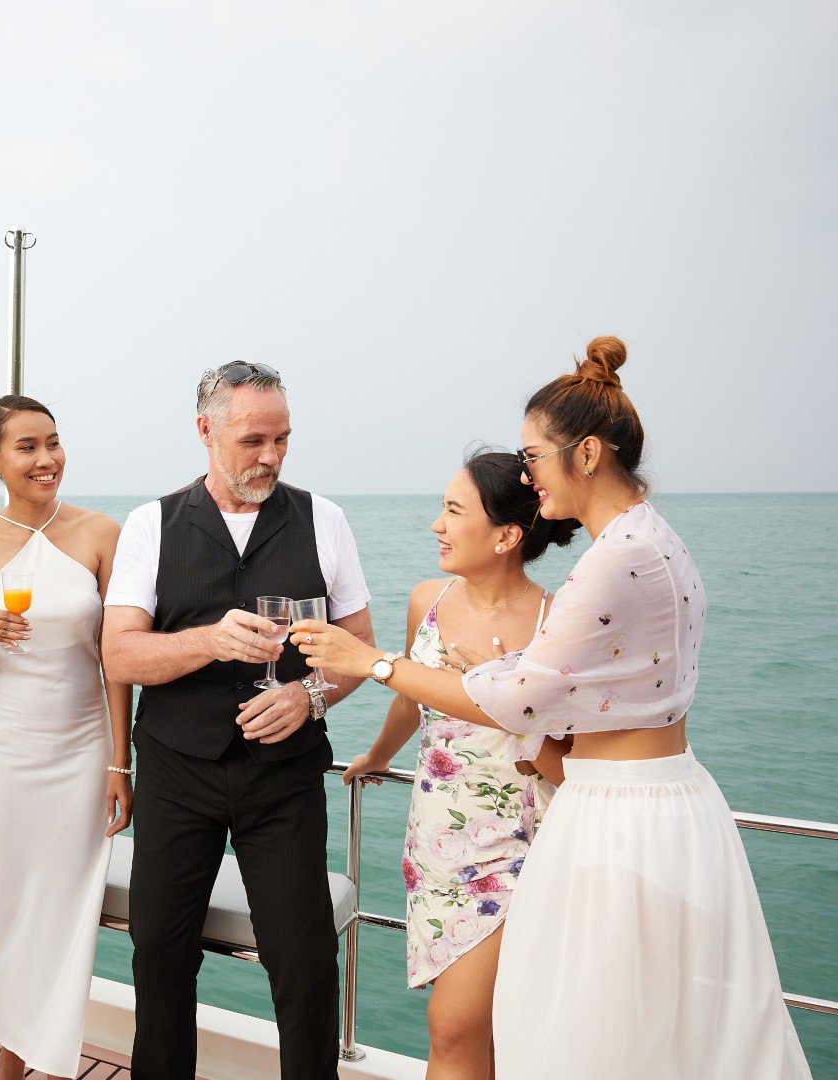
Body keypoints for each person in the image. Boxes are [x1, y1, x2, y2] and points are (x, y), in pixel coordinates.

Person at [293, 337, 811, 1079]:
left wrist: (370, 661)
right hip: (645, 801)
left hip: (615, 812)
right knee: (635, 1033)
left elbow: (517, 697)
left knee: (585, 1039)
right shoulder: (656, 542)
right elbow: (573, 692)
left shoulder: (612, 562)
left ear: (588, 455)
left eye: (535, 455)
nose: (528, 474)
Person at [101, 362, 374, 1079]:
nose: (272, 457)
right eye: (254, 439)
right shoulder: (150, 525)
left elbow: (360, 651)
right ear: (205, 430)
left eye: (282, 439)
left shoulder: (325, 521)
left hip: (283, 782)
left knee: (306, 961)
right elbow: (120, 654)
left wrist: (308, 697)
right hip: (176, 773)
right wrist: (206, 641)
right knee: (159, 953)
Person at [341, 450, 574, 1080]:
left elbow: (572, 761)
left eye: (452, 510)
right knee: (480, 1033)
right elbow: (412, 697)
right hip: (436, 843)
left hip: (522, 847)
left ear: (506, 535)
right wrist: (378, 756)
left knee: (456, 1025)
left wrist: (485, 684)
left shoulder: (559, 624)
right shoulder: (429, 600)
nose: (436, 525)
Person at [0, 395, 132, 1080]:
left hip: (82, 752)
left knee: (69, 914)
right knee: (16, 912)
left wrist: (120, 763)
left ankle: (50, 1063)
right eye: (26, 447)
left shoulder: (102, 534)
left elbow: (118, 660)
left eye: (52, 442)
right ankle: (11, 1065)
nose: (46, 459)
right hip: (6, 755)